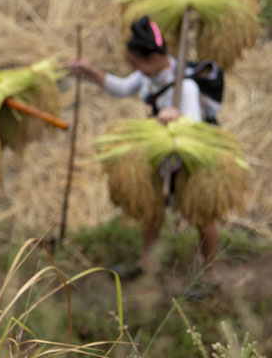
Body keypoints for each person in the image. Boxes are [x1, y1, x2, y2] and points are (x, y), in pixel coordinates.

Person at [69, 15, 220, 280]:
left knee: (201, 213)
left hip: (191, 158)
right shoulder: (149, 76)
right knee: (153, 207)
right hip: (163, 155)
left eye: (135, 63)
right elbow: (123, 87)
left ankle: (211, 275)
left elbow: (195, 125)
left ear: (151, 58)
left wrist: (177, 118)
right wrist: (90, 71)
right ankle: (145, 262)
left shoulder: (184, 86)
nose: (134, 69)